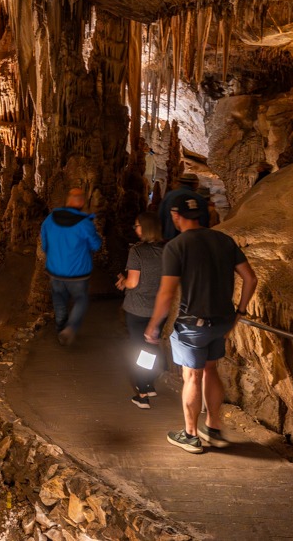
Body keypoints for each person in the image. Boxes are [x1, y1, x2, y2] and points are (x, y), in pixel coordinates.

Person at [144, 198, 258, 454]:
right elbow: (250, 278)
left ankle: (191, 435)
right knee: (211, 370)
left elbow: (166, 293)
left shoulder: (177, 246)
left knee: (192, 375)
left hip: (193, 326)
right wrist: (239, 313)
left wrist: (154, 325)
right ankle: (214, 428)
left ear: (176, 216)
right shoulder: (224, 240)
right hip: (222, 322)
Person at [115, 212, 164, 409]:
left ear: (145, 228)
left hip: (138, 309)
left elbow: (133, 282)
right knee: (151, 348)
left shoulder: (137, 251)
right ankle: (150, 383)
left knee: (139, 350)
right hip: (159, 308)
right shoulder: (167, 249)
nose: (135, 229)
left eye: (137, 225)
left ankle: (143, 393)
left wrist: (123, 282)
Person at [41, 188, 102, 346]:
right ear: (81, 202)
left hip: (55, 270)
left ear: (68, 201)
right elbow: (95, 245)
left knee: (59, 298)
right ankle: (70, 328)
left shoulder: (50, 219)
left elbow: (44, 244)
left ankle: (61, 327)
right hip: (78, 272)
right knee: (81, 299)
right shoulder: (84, 223)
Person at [159, 172, 208, 240]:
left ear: (180, 183)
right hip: (191, 239)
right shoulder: (199, 199)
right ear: (195, 184)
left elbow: (161, 217)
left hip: (168, 237)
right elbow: (204, 221)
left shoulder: (168, 195)